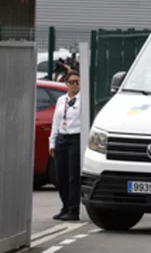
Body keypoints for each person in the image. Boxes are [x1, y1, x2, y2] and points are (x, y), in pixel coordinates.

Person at [49, 71, 82, 221]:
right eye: (72, 82)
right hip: (62, 137)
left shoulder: (83, 100)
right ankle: (65, 206)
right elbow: (55, 122)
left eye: (77, 82)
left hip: (75, 137)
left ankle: (74, 209)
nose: (75, 85)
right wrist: (52, 141)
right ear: (66, 84)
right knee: (61, 176)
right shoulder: (61, 100)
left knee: (73, 176)